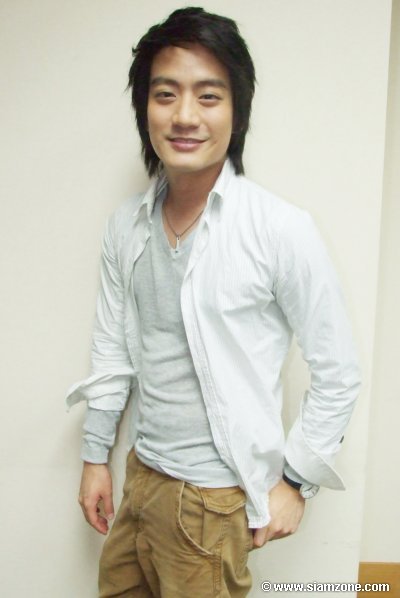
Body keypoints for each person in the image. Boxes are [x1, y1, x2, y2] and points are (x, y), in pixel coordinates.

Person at [66, 7, 361, 597]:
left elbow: (338, 371)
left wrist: (296, 481)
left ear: (237, 111)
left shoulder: (279, 228)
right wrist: (96, 456)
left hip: (212, 501)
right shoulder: (125, 227)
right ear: (144, 108)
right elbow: (112, 348)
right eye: (165, 94)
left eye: (208, 96)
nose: (184, 115)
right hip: (140, 477)